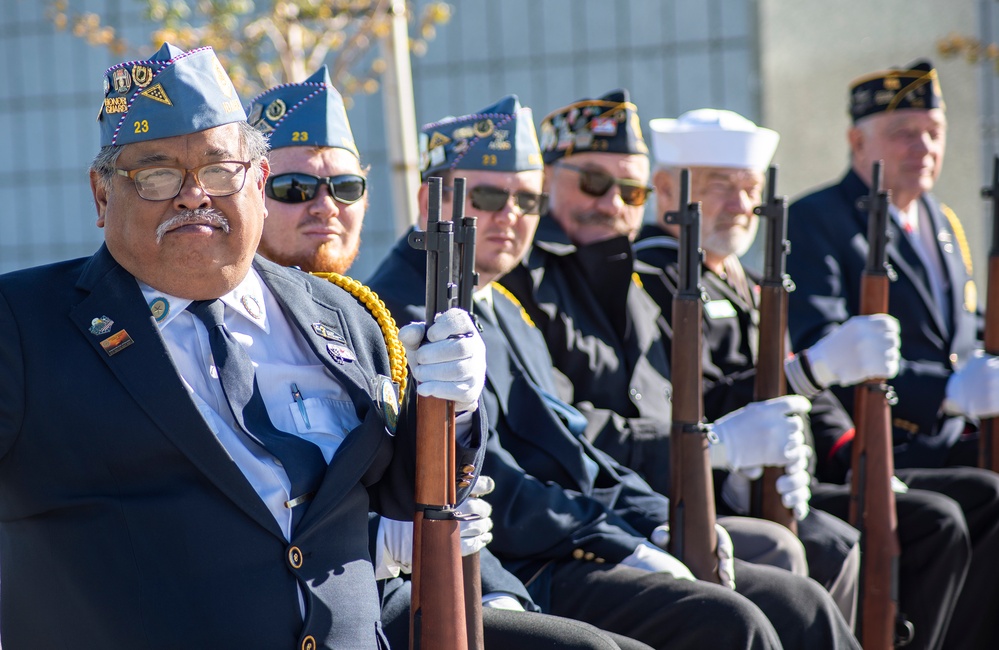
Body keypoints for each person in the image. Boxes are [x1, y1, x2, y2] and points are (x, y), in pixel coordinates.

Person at [0, 44, 489, 649]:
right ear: (103, 196)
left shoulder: (340, 313)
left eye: (219, 170)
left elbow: (413, 488)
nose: (192, 195)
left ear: (256, 182)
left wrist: (458, 406)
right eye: (154, 175)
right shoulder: (21, 324)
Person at [369, 94, 860, 650]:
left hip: (562, 537)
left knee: (798, 602)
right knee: (731, 621)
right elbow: (491, 481)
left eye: (528, 201)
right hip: (521, 560)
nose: (512, 217)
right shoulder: (406, 317)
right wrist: (612, 537)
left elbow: (573, 445)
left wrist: (649, 517)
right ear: (428, 201)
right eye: (487, 196)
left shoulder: (498, 303)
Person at [249, 67, 654, 650]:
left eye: (346, 188)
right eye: (292, 190)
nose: (325, 207)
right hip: (332, 597)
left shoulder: (365, 321)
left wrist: (649, 521)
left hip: (425, 580)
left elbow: (451, 472)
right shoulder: (382, 314)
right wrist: (395, 546)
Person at [638, 107, 982, 650]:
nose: (739, 204)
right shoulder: (652, 279)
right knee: (852, 541)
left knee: (956, 510)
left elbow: (807, 397)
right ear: (665, 191)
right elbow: (695, 397)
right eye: (720, 186)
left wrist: (852, 451)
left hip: (792, 471)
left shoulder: (747, 282)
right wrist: (808, 371)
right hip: (721, 480)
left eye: (749, 188)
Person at [787, 60, 999, 649]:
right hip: (878, 446)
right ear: (858, 141)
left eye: (933, 130)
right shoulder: (817, 221)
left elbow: (967, 330)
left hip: (957, 438)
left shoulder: (941, 219)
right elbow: (822, 346)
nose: (924, 145)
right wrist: (945, 392)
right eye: (904, 132)